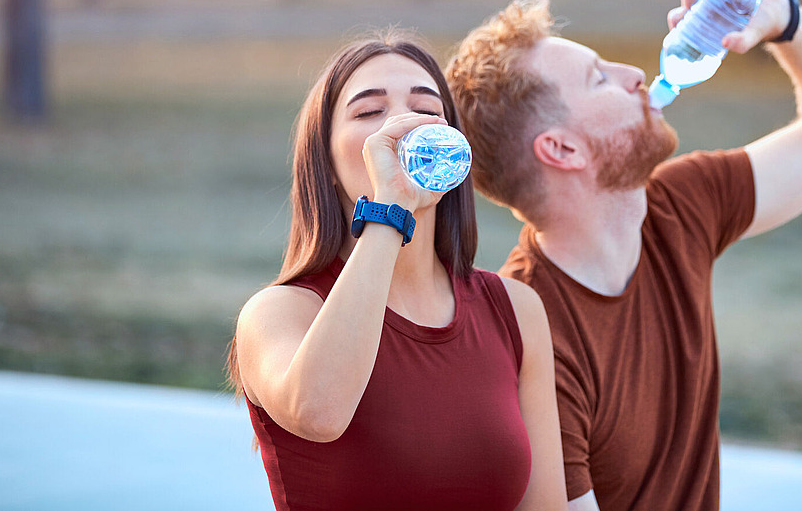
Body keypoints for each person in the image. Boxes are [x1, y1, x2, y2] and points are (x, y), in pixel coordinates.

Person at [445, 0, 802, 511]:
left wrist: (785, 22)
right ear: (562, 149)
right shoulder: (528, 340)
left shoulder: (679, 207)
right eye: (599, 78)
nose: (633, 74)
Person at [227, 32, 568, 511]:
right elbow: (319, 413)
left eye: (427, 111)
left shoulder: (515, 310)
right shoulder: (277, 314)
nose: (404, 126)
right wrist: (389, 211)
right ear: (325, 163)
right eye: (369, 112)